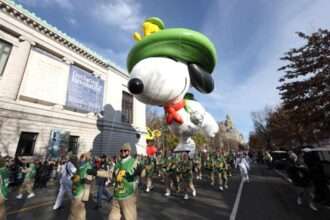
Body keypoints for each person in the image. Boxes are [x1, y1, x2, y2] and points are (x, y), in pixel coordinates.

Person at [108, 143, 142, 220]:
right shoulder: (118, 163)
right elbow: (111, 174)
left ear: (129, 151)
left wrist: (139, 171)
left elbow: (141, 173)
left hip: (128, 196)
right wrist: (96, 172)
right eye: (121, 150)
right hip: (117, 195)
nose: (123, 152)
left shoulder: (134, 162)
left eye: (125, 150)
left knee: (129, 218)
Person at [68, 152, 93, 220]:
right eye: (81, 157)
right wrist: (74, 179)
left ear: (86, 158)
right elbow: (75, 177)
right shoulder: (81, 166)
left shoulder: (88, 166)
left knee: (75, 209)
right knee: (79, 209)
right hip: (77, 189)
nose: (80, 158)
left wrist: (85, 195)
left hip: (81, 191)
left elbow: (89, 180)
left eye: (82, 157)